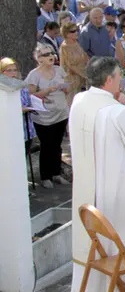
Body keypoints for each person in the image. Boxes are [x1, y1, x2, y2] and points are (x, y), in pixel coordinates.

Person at [69, 56, 125, 292]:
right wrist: (121, 106)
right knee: (123, 232)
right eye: (118, 76)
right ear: (108, 80)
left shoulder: (79, 100)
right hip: (115, 183)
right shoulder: (116, 110)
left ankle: (95, 291)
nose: (121, 80)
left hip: (86, 182)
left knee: (96, 238)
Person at [25, 44, 70, 189]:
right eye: (46, 54)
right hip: (44, 117)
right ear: (39, 59)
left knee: (57, 145)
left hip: (61, 113)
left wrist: (65, 88)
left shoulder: (58, 70)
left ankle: (56, 173)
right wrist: (47, 90)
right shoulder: (34, 74)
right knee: (47, 145)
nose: (51, 56)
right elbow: (30, 95)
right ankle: (46, 177)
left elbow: (67, 89)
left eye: (51, 53)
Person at [59, 23, 88, 105]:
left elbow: (85, 57)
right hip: (70, 79)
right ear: (66, 34)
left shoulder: (76, 43)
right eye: (73, 31)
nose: (76, 33)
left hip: (80, 77)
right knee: (71, 102)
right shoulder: (65, 47)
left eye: (77, 30)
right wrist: (85, 75)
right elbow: (70, 65)